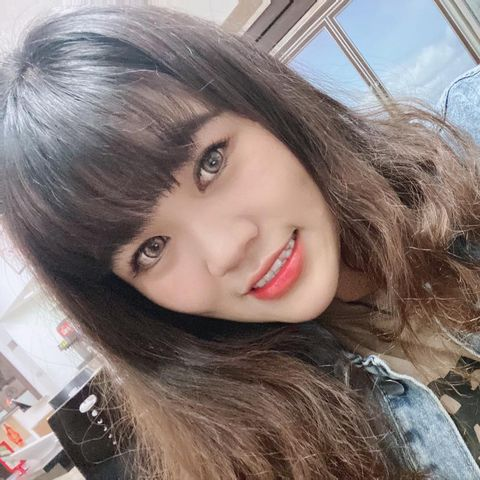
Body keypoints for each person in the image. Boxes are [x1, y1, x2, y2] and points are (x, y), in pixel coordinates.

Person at [0, 5, 479, 479]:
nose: (227, 250)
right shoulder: (260, 456)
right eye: (151, 249)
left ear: (263, 104)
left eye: (211, 162)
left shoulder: (470, 144)